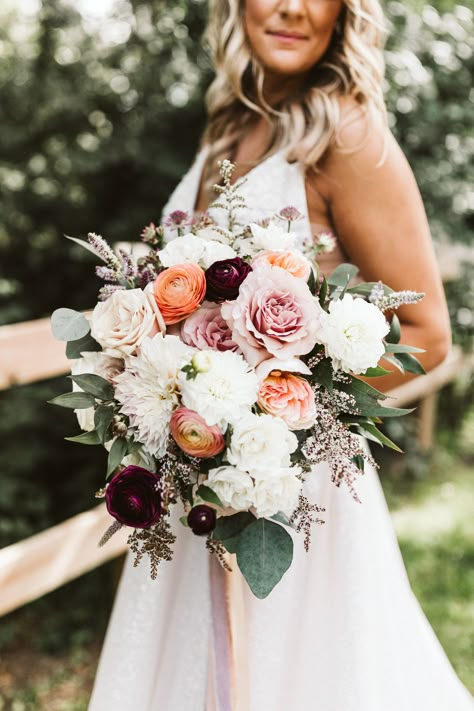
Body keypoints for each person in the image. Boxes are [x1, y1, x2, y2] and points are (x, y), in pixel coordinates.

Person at [89, 0, 474, 709]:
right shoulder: (225, 132)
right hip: (193, 487)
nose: (293, 6)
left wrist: (272, 416)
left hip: (295, 499)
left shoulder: (349, 136)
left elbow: (429, 334)